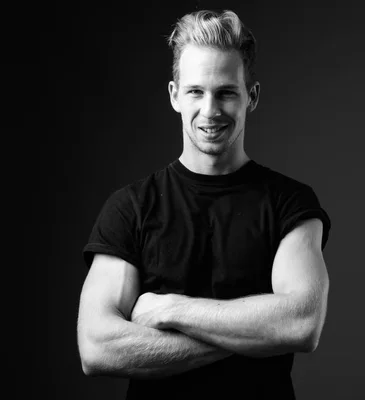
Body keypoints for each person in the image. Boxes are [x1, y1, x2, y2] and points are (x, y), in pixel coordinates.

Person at [76, 9, 331, 400]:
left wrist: (170, 310)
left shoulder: (291, 204)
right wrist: (253, 335)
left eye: (226, 92)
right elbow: (96, 347)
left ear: (252, 96)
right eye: (196, 91)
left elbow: (301, 324)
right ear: (175, 96)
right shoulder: (130, 207)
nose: (210, 110)